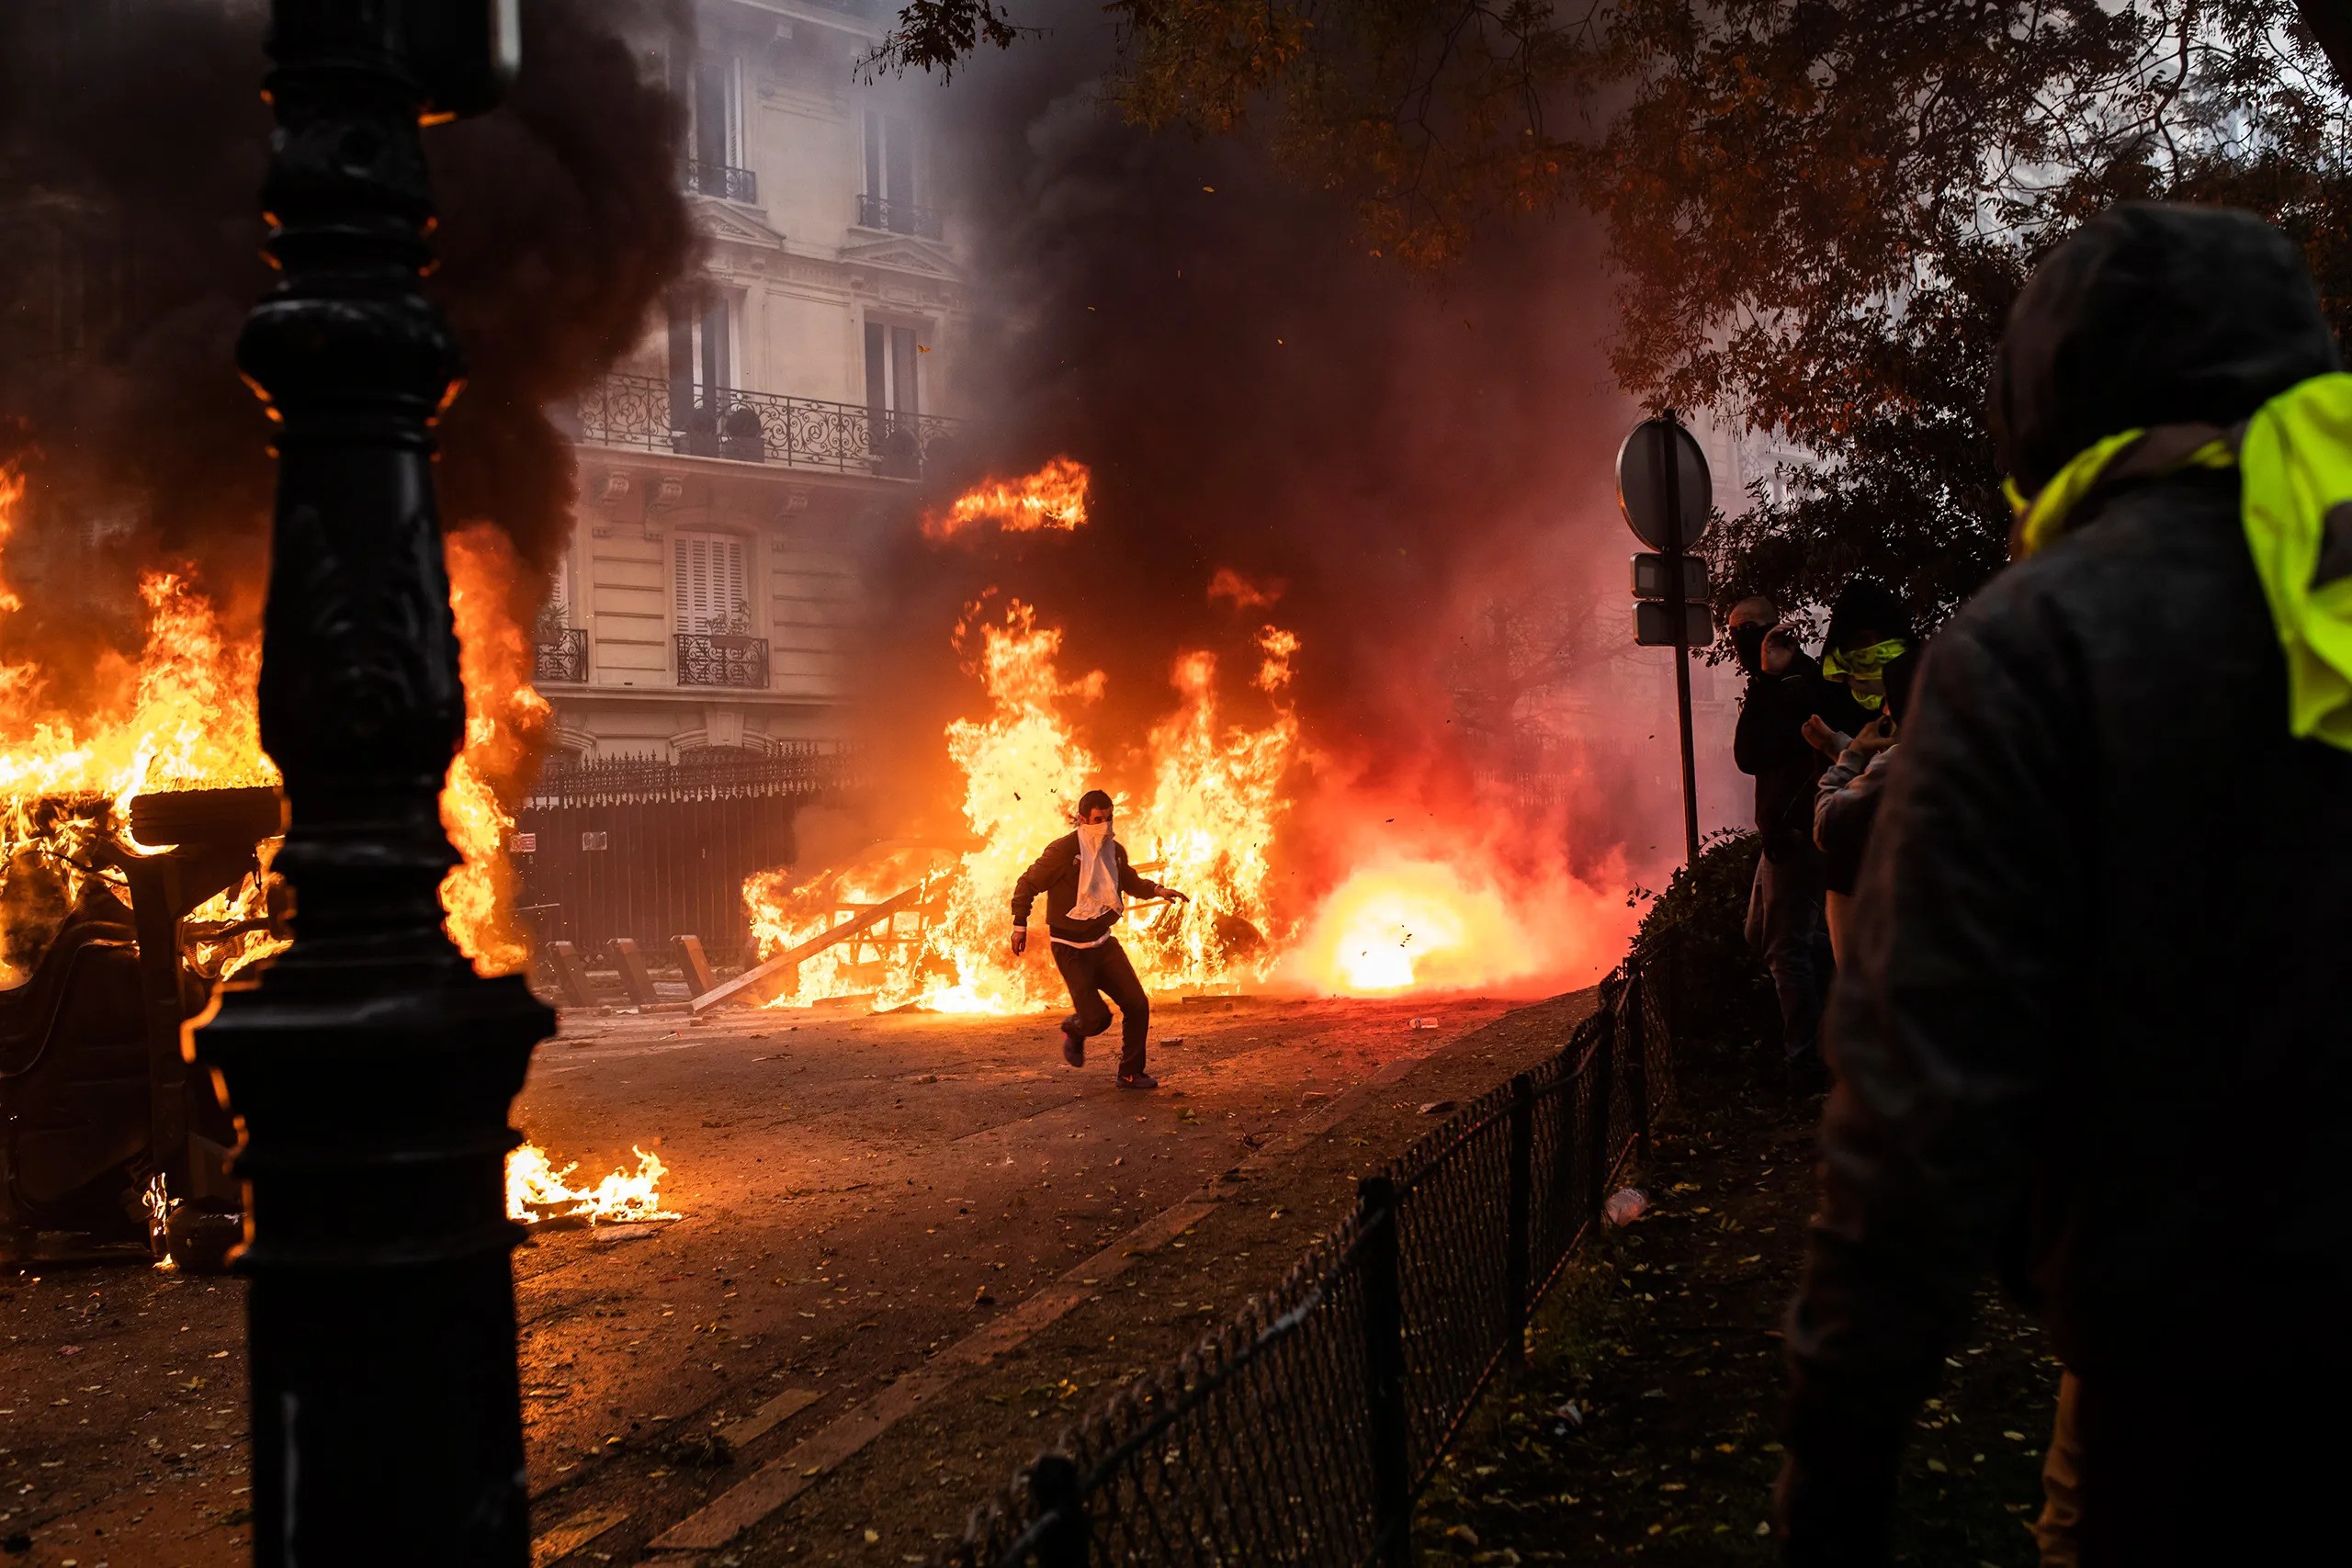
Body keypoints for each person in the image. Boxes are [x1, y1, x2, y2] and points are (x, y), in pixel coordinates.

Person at [1778, 202, 2352, 1565]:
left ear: (2051, 409)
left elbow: (1923, 1103)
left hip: (2193, 1391)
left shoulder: (2039, 642)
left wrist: (1837, 1468)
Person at [1729, 596, 1870, 1084]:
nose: (1747, 643)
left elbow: (1751, 754)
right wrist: (1765, 679)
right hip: (1782, 832)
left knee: (1785, 948)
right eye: (1738, 634)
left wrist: (1773, 679)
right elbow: (1750, 753)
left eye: (1752, 631)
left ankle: (1806, 1061)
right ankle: (1834, 1013)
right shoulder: (1770, 683)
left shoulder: (1807, 684)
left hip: (1800, 833)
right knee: (1770, 935)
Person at [1011, 790, 1188, 1090]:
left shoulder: (1114, 851)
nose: (1104, 825)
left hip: (1103, 943)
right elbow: (1027, 883)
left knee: (1137, 1004)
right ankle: (1073, 1028)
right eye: (1097, 820)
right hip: (1070, 949)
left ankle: (1130, 1073)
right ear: (1081, 820)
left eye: (1108, 818)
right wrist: (1020, 924)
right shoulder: (1063, 852)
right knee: (1097, 1019)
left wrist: (1158, 890)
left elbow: (1130, 881)